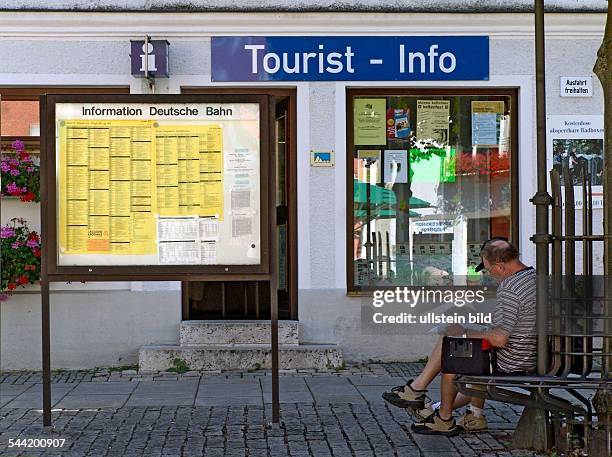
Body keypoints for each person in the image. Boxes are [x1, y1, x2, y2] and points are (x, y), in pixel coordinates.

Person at [382, 238, 537, 436]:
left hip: (513, 360)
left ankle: (441, 415)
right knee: (459, 338)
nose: (489, 275)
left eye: (489, 270)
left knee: (452, 349)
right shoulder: (531, 277)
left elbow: (499, 339)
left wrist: (464, 331)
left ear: (500, 265)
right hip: (529, 352)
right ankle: (472, 414)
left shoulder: (510, 288)